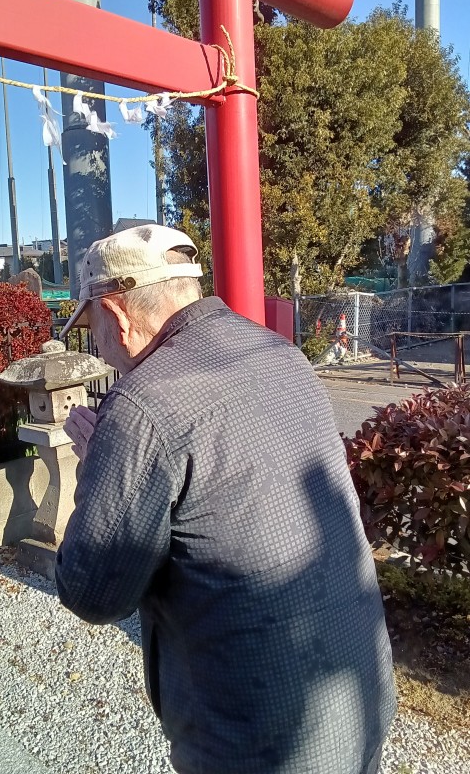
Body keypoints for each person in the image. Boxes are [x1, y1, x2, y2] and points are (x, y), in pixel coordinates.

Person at [55, 223, 396, 774]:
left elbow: (92, 592)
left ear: (117, 317)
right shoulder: (280, 353)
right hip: (360, 694)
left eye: (92, 327)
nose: (98, 346)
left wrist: (100, 466)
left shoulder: (142, 404)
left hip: (255, 737)